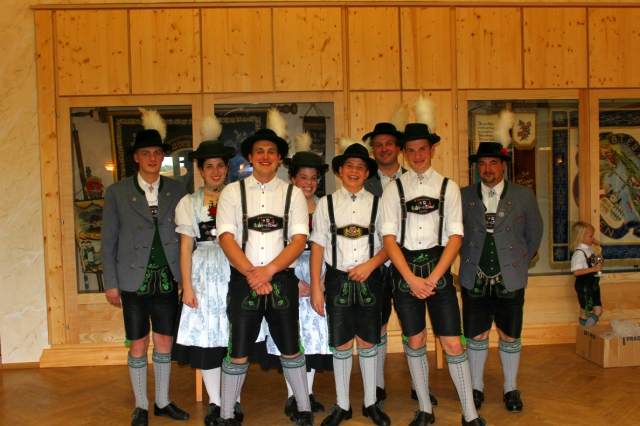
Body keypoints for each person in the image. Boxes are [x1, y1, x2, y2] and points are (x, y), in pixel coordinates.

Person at [381, 119, 485, 426]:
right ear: (404, 152)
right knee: (415, 341)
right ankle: (425, 409)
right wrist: (411, 279)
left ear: (432, 150)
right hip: (405, 272)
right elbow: (389, 239)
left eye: (422, 149)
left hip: (439, 270)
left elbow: (455, 237)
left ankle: (470, 413)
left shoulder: (448, 187)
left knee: (453, 343)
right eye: (411, 150)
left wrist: (435, 277)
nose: (417, 156)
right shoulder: (393, 189)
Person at [216, 121, 314, 426]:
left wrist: (268, 271)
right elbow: (226, 238)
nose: (266, 156)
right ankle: (227, 413)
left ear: (280, 158)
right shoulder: (231, 192)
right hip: (244, 279)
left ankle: (303, 408)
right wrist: (252, 274)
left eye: (272, 151)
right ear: (250, 157)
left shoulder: (293, 194)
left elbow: (299, 240)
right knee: (238, 349)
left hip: (282, 280)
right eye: (259, 151)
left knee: (290, 347)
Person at [102, 109, 189, 426]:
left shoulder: (177, 190)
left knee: (164, 342)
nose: (152, 158)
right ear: (136, 157)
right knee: (138, 343)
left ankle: (162, 401)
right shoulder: (117, 192)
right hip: (131, 280)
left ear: (162, 157)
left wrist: (187, 278)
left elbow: (186, 236)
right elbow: (108, 240)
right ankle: (141, 404)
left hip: (167, 278)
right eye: (146, 153)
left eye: (156, 153)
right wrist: (111, 282)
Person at [458, 135, 543, 414]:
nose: (487, 169)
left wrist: (516, 264)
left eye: (493, 163)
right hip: (474, 276)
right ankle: (476, 387)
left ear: (503, 165)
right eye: (482, 164)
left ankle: (510, 387)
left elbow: (534, 234)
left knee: (510, 334)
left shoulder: (523, 195)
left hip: (511, 278)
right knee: (476, 334)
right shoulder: (464, 195)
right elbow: (454, 234)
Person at [171, 117, 247, 426]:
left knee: (235, 338)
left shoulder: (239, 198)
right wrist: (187, 287)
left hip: (235, 269)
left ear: (227, 168)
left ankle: (234, 400)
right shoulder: (189, 203)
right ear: (200, 170)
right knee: (208, 340)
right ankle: (216, 401)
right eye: (209, 166)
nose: (215, 171)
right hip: (203, 274)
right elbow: (185, 248)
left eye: (220, 166)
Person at [310, 140, 391, 426]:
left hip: (372, 279)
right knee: (342, 344)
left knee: (368, 341)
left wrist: (371, 265)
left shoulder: (380, 205)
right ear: (340, 171)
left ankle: (370, 402)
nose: (354, 171)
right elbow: (318, 246)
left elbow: (390, 246)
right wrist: (316, 286)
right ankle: (343, 405)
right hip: (336, 281)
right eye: (349, 166)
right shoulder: (326, 204)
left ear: (367, 173)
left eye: (360, 167)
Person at [363, 121, 438, 407]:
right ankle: (378, 386)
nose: (383, 149)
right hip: (376, 266)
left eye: (388, 144)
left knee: (416, 329)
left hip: (411, 267)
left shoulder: (416, 178)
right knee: (379, 325)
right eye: (378, 145)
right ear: (373, 150)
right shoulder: (363, 182)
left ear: (399, 148)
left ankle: (421, 387)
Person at [264, 133, 332, 418]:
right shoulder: (281, 206)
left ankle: (308, 392)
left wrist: (322, 281)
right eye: (303, 177)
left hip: (319, 273)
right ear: (292, 179)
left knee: (314, 334)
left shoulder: (325, 206)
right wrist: (292, 280)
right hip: (288, 272)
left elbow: (331, 245)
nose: (308, 182)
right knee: (291, 334)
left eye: (313, 178)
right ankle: (293, 395)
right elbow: (271, 245)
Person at [570, 221, 603, 327]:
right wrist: (593, 269)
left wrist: (599, 251)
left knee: (598, 310)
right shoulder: (579, 253)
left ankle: (588, 329)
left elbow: (600, 261)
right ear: (581, 237)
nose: (593, 238)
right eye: (590, 236)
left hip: (593, 285)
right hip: (585, 285)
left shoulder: (590, 248)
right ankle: (585, 331)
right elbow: (576, 272)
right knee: (585, 311)